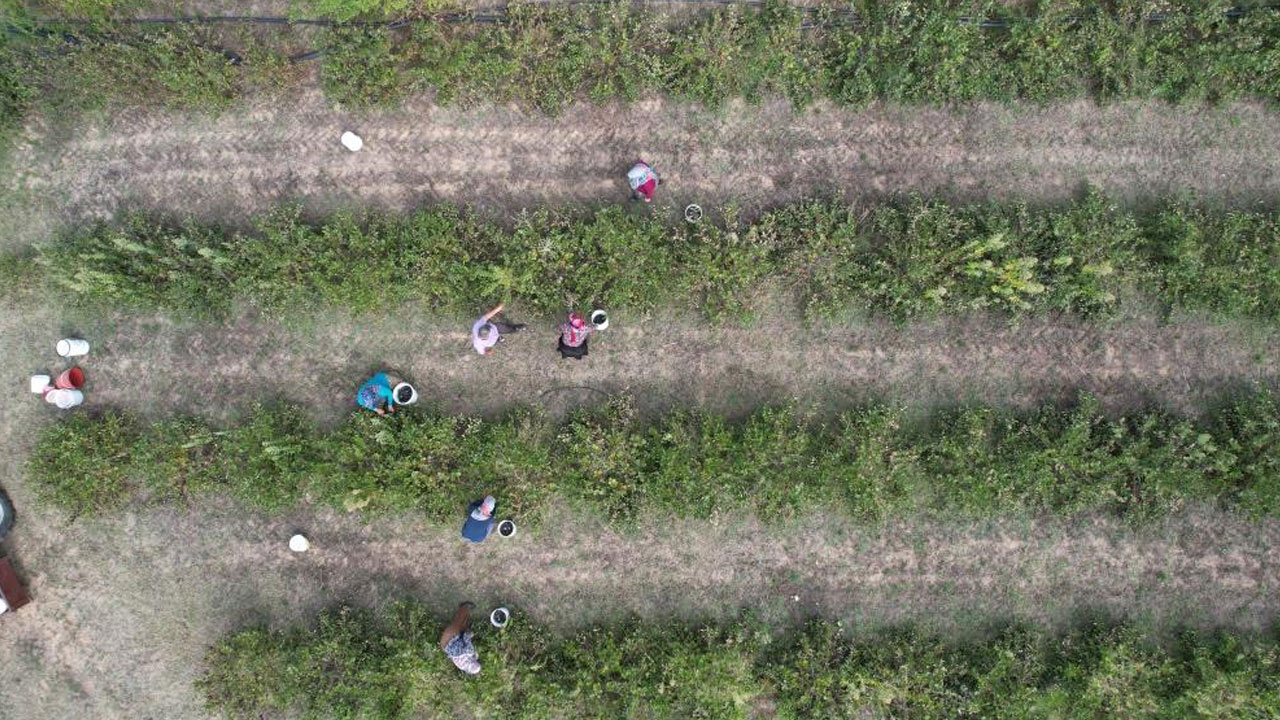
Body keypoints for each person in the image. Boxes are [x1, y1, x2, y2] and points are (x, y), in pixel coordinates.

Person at [439, 601, 481, 675]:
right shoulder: (462, 666)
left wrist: (471, 634)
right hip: (444, 646)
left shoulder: (469, 652)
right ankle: (463, 614)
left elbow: (466, 637)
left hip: (450, 637)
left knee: (461, 624)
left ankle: (464, 607)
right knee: (462, 628)